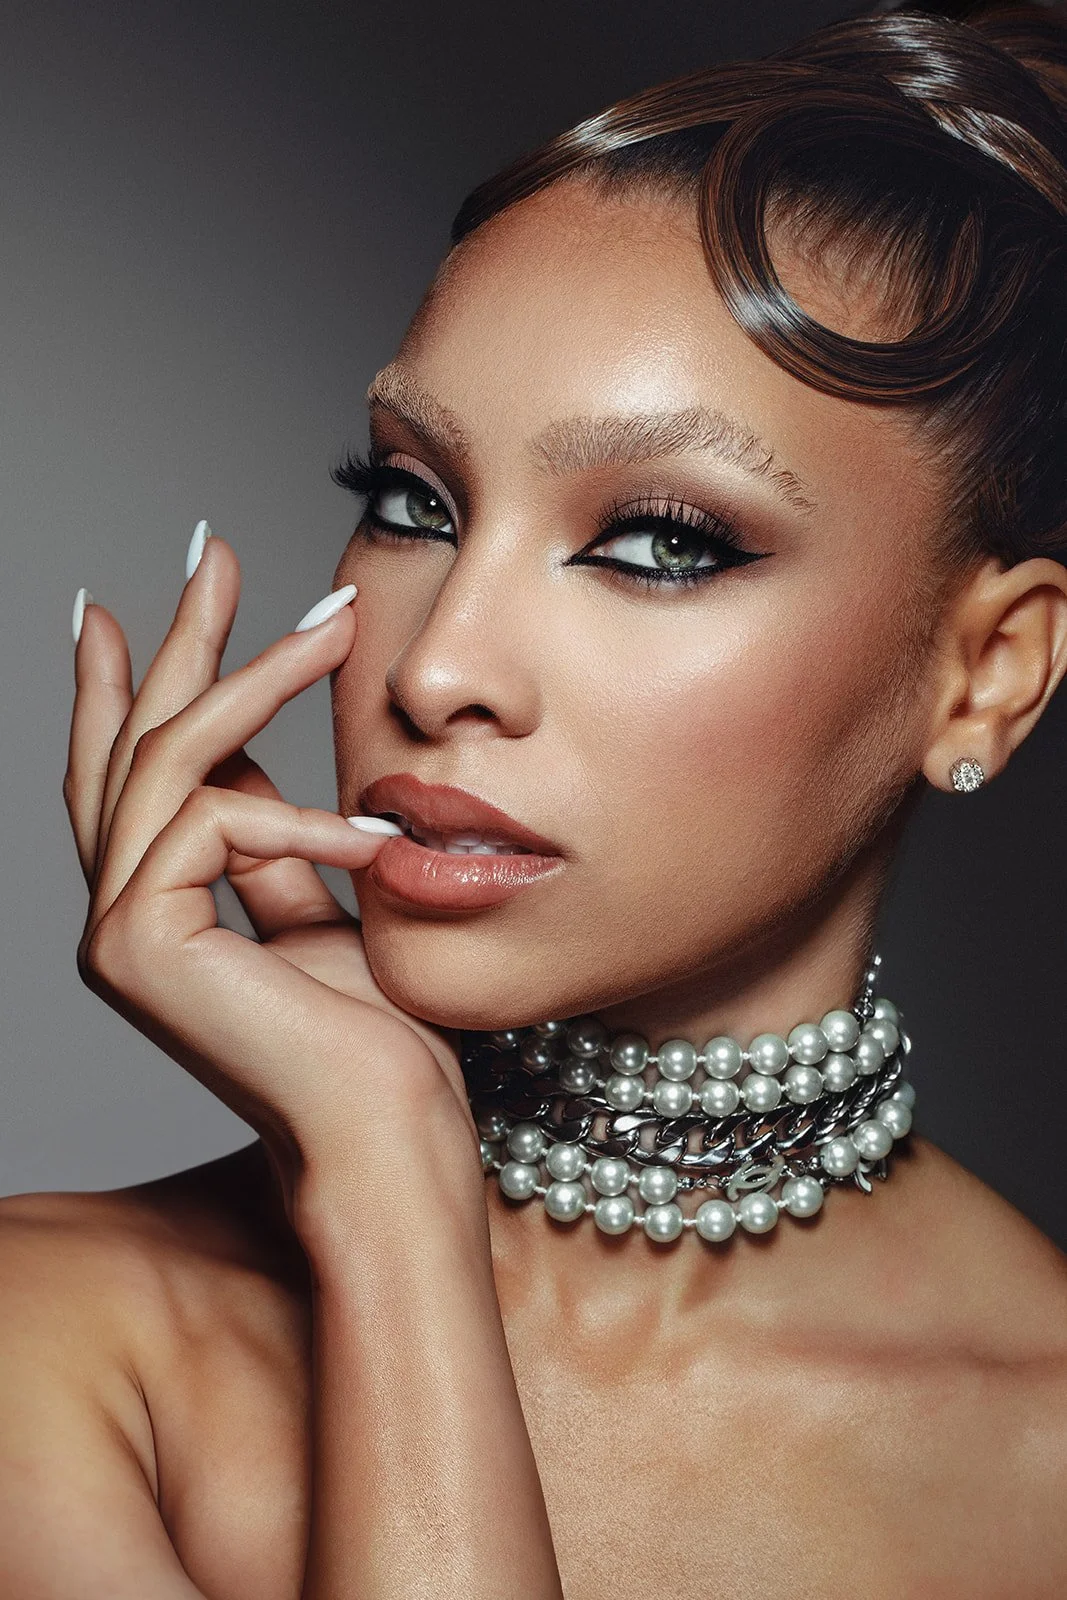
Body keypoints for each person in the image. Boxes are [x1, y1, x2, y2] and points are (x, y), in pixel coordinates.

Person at [3, 2, 1067, 1595]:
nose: (437, 669)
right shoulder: (60, 1346)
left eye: (660, 543)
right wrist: (389, 1179)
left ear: (984, 673)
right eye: (411, 501)